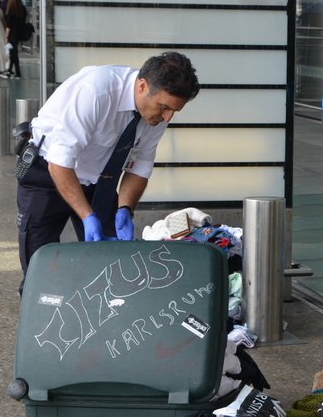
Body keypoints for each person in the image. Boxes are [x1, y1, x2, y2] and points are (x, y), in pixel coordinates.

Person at [16, 52, 200, 286]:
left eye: (174, 111)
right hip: (47, 172)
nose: (167, 117)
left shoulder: (156, 114)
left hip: (97, 180)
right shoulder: (96, 92)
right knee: (39, 264)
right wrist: (87, 216)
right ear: (142, 86)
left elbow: (140, 166)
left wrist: (125, 208)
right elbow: (60, 162)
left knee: (111, 265)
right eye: (164, 107)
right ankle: (38, 313)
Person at [3, 0, 27, 78]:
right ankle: (9, 70)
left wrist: (6, 36)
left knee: (14, 53)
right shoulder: (23, 9)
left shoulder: (11, 10)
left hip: (12, 34)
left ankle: (17, 72)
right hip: (19, 33)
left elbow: (8, 25)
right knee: (13, 52)